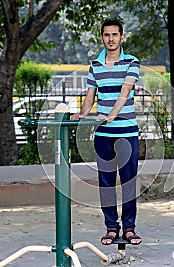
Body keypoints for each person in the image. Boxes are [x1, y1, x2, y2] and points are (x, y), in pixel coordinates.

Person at [70, 19, 141, 245]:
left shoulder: (132, 62)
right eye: (106, 35)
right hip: (103, 135)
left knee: (128, 181)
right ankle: (111, 227)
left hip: (127, 132)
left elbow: (125, 91)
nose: (111, 38)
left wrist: (112, 114)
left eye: (115, 34)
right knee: (106, 182)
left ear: (122, 37)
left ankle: (129, 228)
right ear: (102, 37)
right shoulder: (95, 65)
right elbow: (90, 96)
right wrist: (82, 114)